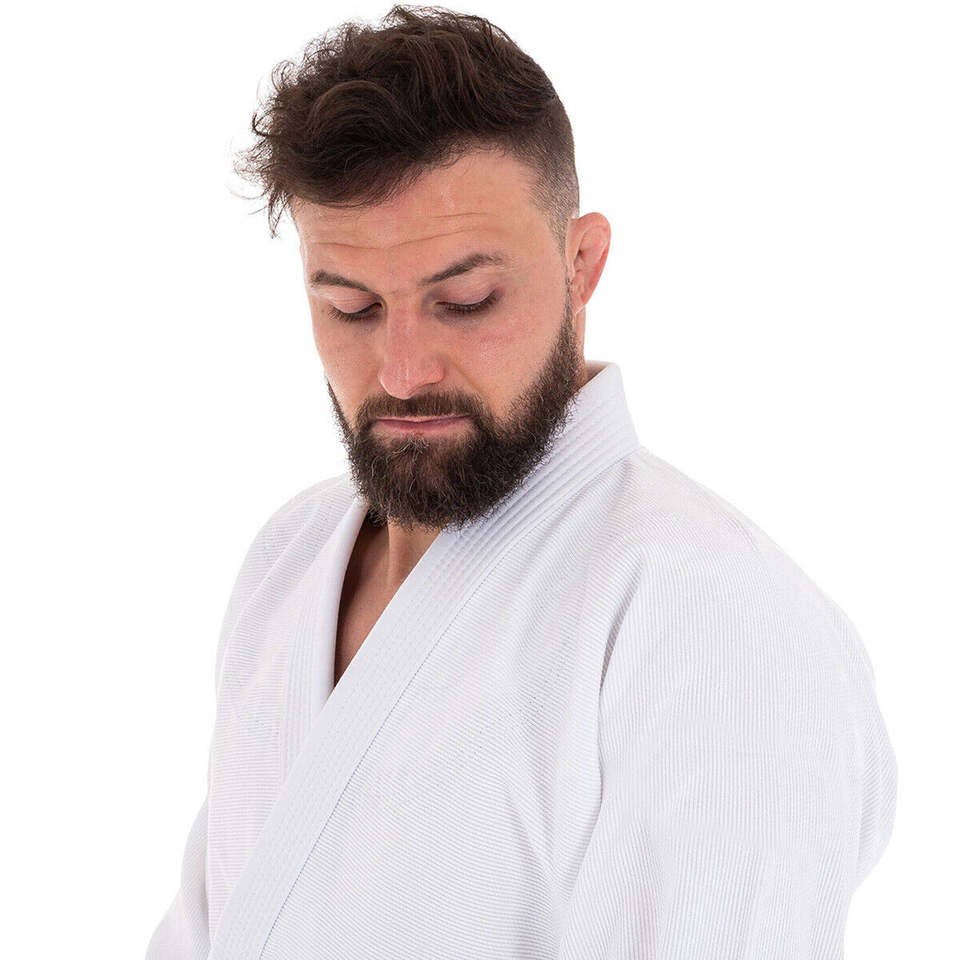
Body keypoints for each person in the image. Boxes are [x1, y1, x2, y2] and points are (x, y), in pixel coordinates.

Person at [146, 6, 897, 958]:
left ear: (583, 264)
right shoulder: (288, 559)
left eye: (465, 301)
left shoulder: (710, 614)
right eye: (352, 307)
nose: (402, 370)